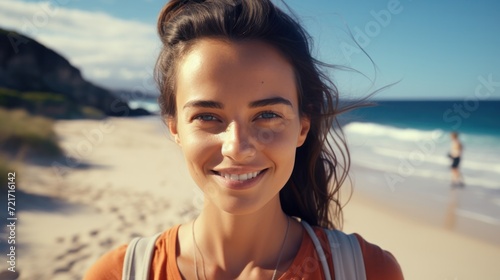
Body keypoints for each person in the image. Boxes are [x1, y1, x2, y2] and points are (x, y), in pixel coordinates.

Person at [84, 0, 403, 279]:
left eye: (267, 115)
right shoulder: (118, 274)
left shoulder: (369, 271)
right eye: (208, 117)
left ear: (303, 126)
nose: (236, 147)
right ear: (175, 128)